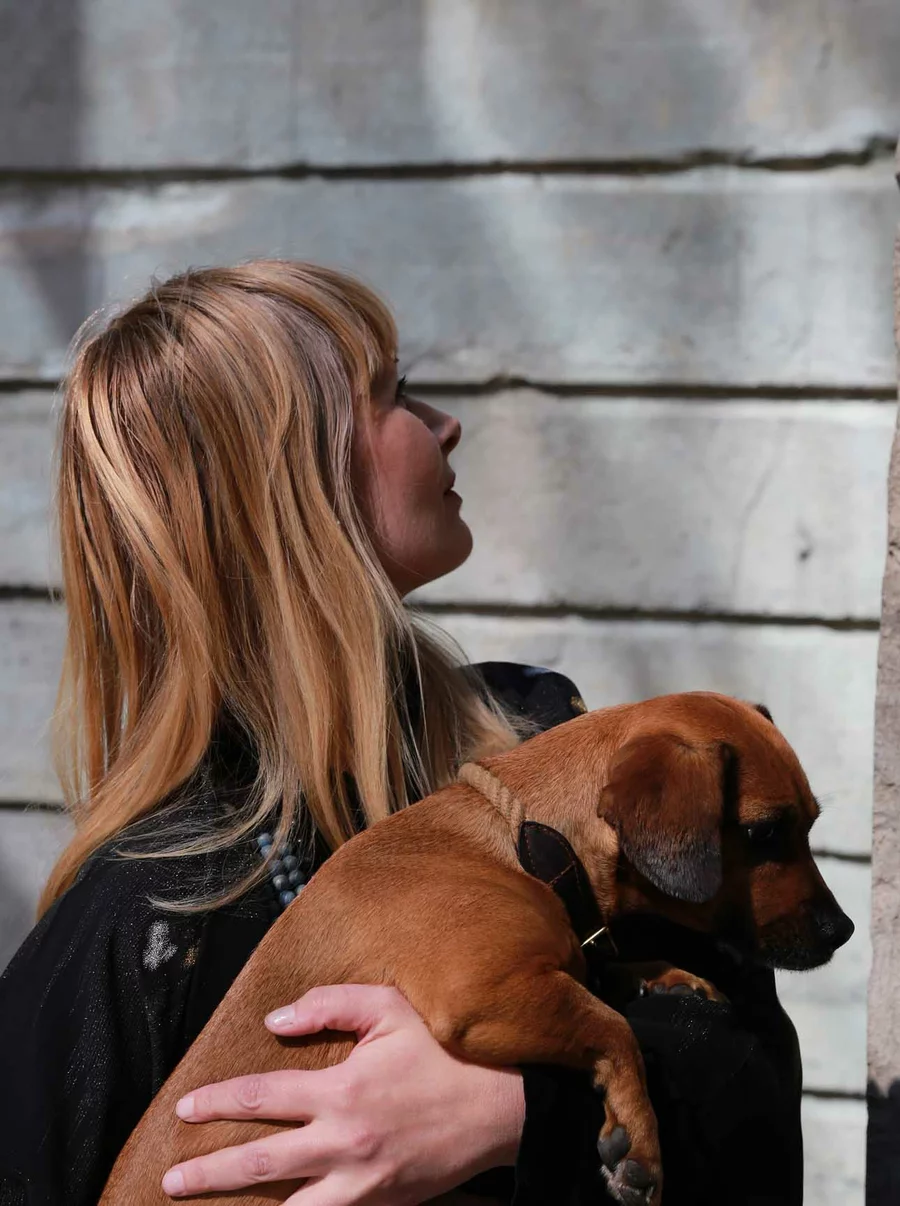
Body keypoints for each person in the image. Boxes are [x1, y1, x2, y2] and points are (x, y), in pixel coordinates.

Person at [0, 261, 803, 1206]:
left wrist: (507, 1112)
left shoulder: (541, 747)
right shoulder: (148, 917)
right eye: (394, 393)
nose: (445, 423)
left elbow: (755, 1081)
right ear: (286, 489)